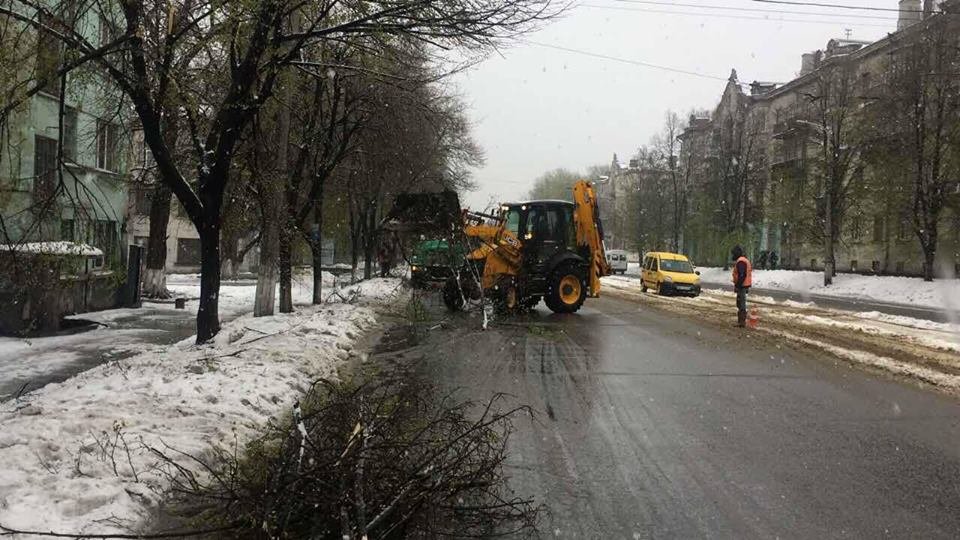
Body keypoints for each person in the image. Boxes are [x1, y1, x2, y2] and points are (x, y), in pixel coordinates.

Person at [731, 245, 753, 328]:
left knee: (741, 303)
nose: (733, 255)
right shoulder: (743, 260)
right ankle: (741, 321)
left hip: (742, 285)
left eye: (733, 253)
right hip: (744, 284)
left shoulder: (741, 261)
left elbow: (742, 275)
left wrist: (738, 285)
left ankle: (742, 322)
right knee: (740, 302)